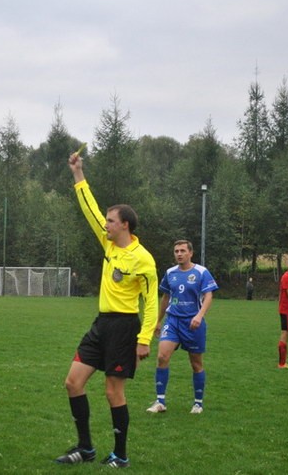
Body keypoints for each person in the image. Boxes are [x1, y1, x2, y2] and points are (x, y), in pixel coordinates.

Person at [54, 152, 158, 469]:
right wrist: (78, 174)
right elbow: (90, 209)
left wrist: (144, 339)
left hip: (125, 329)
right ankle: (85, 448)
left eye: (111, 221)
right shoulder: (109, 243)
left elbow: (151, 302)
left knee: (113, 392)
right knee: (73, 382)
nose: (106, 224)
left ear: (124, 224)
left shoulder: (143, 259)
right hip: (101, 324)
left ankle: (120, 455)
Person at [146, 240, 218, 415]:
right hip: (172, 321)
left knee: (196, 364)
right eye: (176, 251)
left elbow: (209, 296)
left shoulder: (201, 272)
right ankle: (160, 401)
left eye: (183, 251)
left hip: (193, 324)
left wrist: (199, 316)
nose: (179, 254)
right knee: (162, 356)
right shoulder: (170, 273)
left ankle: (198, 403)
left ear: (190, 253)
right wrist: (158, 321)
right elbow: (165, 297)